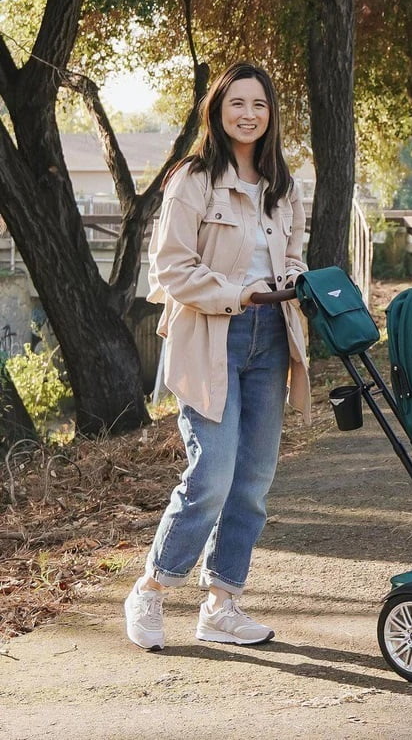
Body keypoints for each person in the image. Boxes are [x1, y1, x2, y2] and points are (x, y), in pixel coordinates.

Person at [124, 62, 311, 650]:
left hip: (272, 337)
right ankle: (152, 589)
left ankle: (222, 604)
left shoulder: (284, 185)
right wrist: (240, 293)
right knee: (211, 473)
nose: (248, 114)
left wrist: (294, 282)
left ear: (271, 113)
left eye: (259, 104)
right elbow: (171, 269)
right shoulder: (194, 180)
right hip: (210, 338)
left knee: (253, 480)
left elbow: (296, 255)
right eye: (237, 104)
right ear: (217, 110)